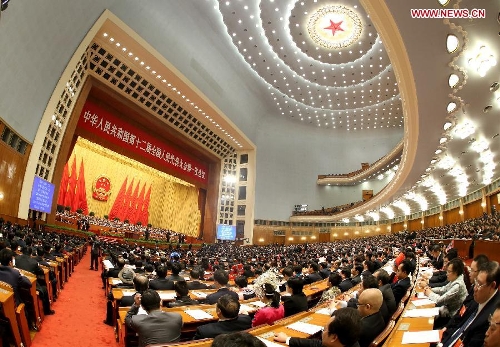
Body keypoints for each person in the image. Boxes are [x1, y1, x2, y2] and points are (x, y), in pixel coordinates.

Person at [439, 261, 500, 347]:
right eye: (476, 282)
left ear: (492, 286)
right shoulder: (477, 295)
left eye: (479, 284)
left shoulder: (494, 314)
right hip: (450, 337)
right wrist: (445, 331)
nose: (475, 288)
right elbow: (460, 316)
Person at [273, 307, 362, 347]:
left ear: (334, 337)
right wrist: (287, 339)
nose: (322, 332)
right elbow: (317, 344)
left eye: (324, 329)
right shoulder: (346, 341)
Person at [424, 258, 467, 328]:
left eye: (449, 271)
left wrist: (429, 293)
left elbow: (440, 301)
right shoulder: (455, 279)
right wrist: (431, 289)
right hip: (446, 311)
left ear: (455, 272)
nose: (446, 274)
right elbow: (443, 289)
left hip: (452, 318)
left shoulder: (458, 285)